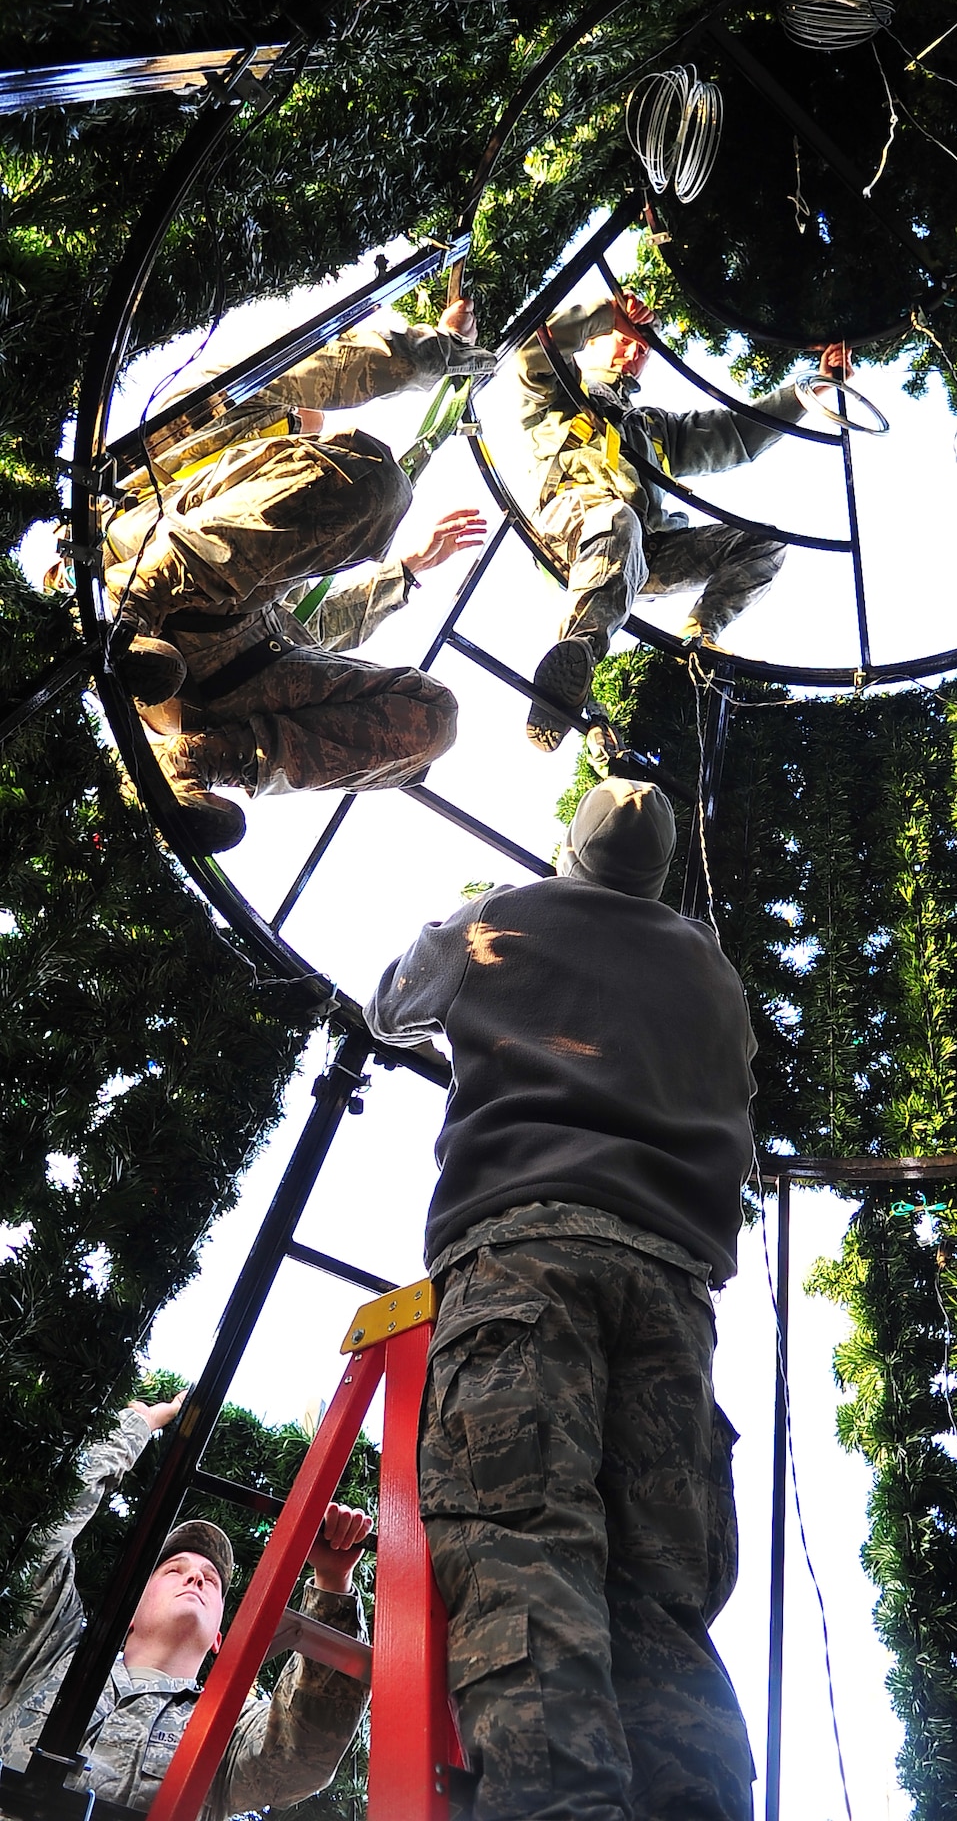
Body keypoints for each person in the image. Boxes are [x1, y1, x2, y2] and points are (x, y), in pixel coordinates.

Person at [365, 776, 759, 1821]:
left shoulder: (501, 913)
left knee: (521, 1544)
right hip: (674, 1290)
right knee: (665, 1598)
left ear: (569, 853)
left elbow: (391, 1000)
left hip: (523, 1254)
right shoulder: (709, 968)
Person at [96, 299, 494, 852]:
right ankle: (128, 612)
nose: (320, 427)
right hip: (149, 557)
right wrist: (447, 349)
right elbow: (340, 364)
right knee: (380, 484)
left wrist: (405, 570)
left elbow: (312, 626)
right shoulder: (232, 401)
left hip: (215, 678)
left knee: (433, 720)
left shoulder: (289, 535)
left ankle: (195, 762)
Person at [0, 1392, 372, 1817]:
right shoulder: (49, 1658)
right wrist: (137, 1425)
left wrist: (332, 1583)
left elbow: (302, 1752)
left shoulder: (227, 1726)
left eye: (210, 1580)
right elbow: (38, 1543)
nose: (196, 1576)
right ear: (130, 1615)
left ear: (218, 1637)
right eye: (174, 1570)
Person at [515, 288, 851, 748]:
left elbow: (734, 434)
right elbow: (537, 348)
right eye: (625, 338)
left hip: (646, 549)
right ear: (592, 340)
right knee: (619, 520)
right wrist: (605, 312)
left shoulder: (652, 426)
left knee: (763, 543)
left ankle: (699, 637)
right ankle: (571, 676)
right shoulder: (559, 391)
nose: (635, 352)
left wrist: (809, 388)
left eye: (644, 348)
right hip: (573, 523)